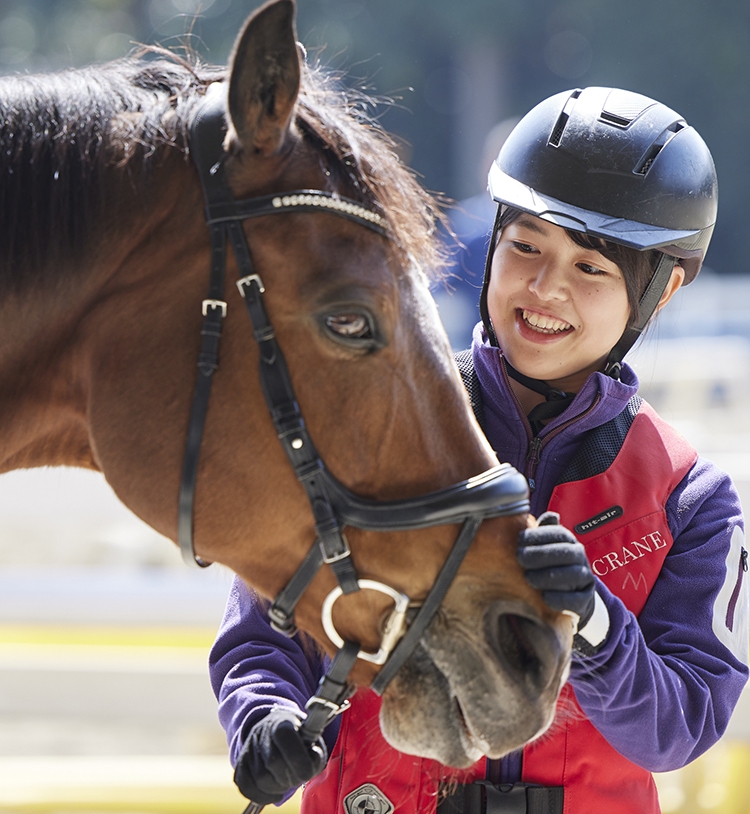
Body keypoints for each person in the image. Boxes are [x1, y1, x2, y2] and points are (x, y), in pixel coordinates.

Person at [209, 87, 749, 814]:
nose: (546, 287)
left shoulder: (691, 500)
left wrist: (591, 620)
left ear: (663, 289)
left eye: (591, 268)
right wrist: (262, 719)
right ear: (492, 240)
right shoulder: (370, 425)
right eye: (525, 247)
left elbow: (680, 727)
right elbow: (263, 634)